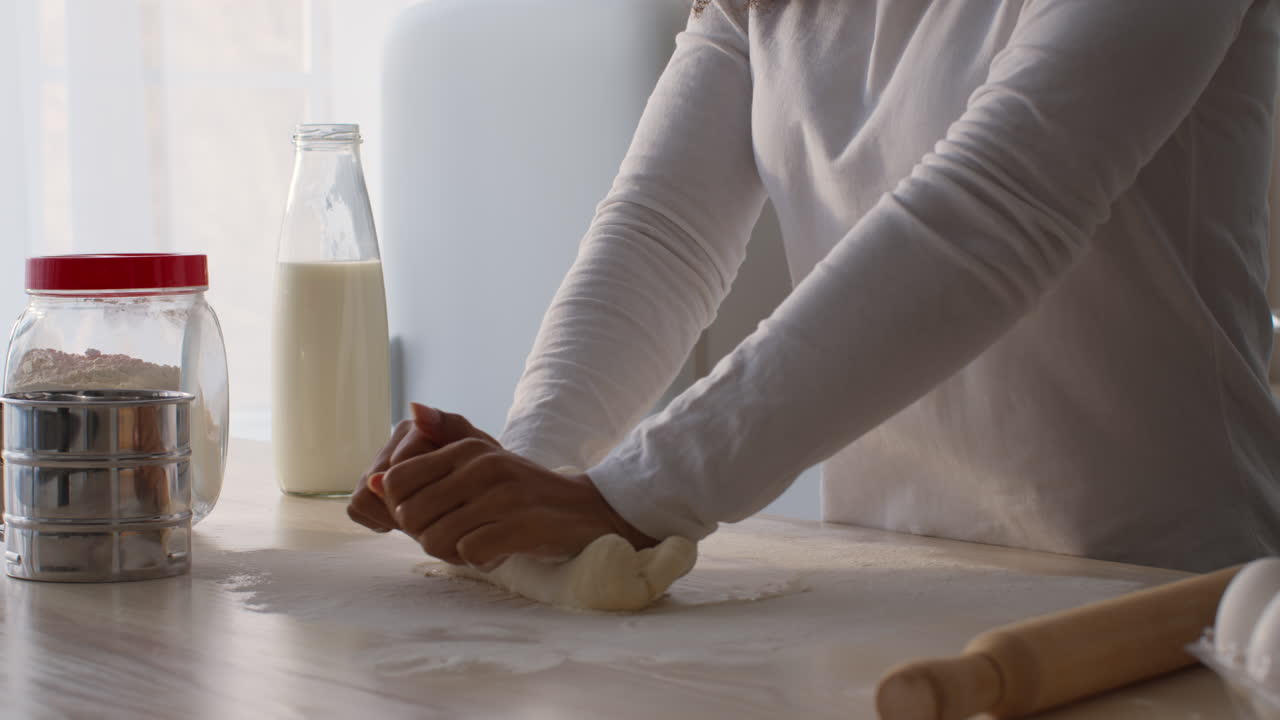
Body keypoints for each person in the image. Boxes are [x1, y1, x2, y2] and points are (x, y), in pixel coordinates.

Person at [349, 0, 1280, 573]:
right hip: (897, 573)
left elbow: (995, 212)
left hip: (1157, 584)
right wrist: (529, 476)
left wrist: (636, 495)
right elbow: (661, 234)